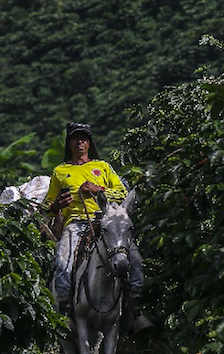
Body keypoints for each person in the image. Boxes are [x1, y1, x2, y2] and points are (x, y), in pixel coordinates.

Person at [44, 122, 149, 332]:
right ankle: (65, 312)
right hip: (76, 224)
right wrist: (56, 206)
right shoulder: (60, 171)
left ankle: (135, 309)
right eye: (76, 138)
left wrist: (97, 189)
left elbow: (121, 193)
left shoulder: (103, 167)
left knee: (134, 260)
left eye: (84, 138)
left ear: (89, 142)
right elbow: (47, 207)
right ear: (70, 143)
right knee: (63, 263)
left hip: (106, 222)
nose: (80, 141)